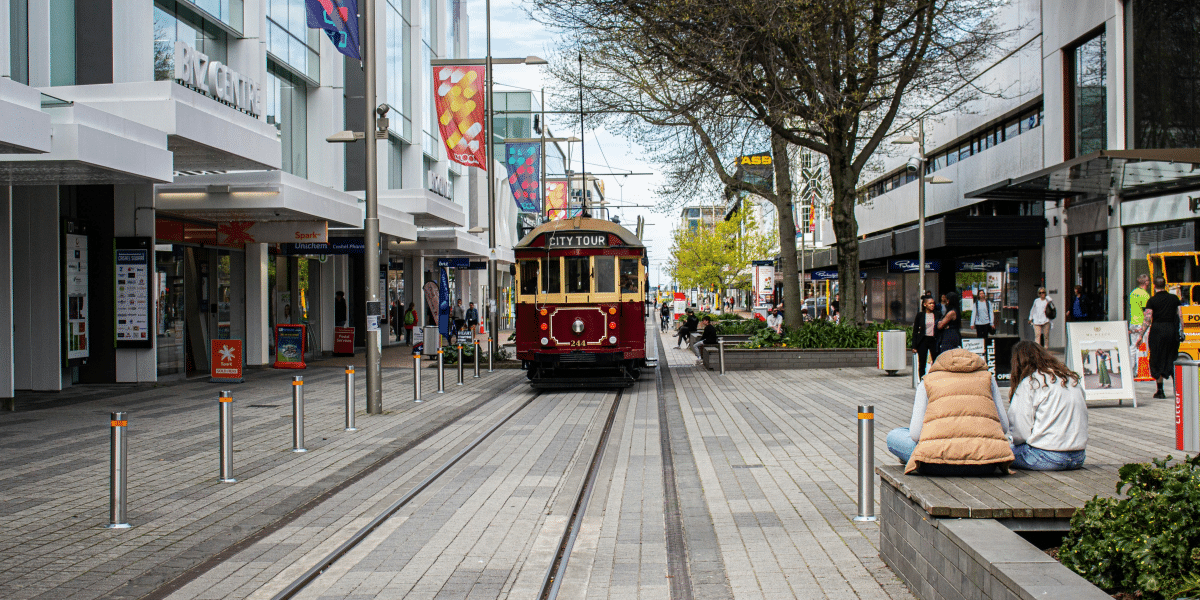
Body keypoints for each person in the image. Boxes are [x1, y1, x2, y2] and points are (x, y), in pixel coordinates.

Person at [886, 349, 1013, 475]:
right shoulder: (988, 379)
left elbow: (915, 434)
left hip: (934, 464)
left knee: (895, 435)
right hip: (985, 464)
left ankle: (908, 459)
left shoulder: (928, 380)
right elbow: (1004, 427)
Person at [1007, 341, 1088, 470]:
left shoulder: (1031, 382)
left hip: (1045, 455)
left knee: (1001, 452)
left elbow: (1020, 429)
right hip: (1078, 456)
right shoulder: (1070, 379)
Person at [1136, 276, 1183, 399]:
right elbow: (1180, 316)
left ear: (1154, 286)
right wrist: (1181, 332)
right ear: (1165, 285)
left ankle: (1160, 391)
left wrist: (1140, 335)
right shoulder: (1174, 299)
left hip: (1157, 331)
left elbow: (1147, 319)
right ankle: (1177, 389)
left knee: (1157, 358)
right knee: (1172, 357)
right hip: (1171, 331)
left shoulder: (1152, 300)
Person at [911, 296, 942, 380]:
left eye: (933, 303)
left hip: (933, 340)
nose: (932, 305)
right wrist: (914, 346)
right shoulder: (920, 315)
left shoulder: (938, 314)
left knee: (936, 361)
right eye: (930, 303)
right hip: (923, 340)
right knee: (922, 363)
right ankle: (922, 380)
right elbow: (915, 331)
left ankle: (935, 378)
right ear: (925, 304)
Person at [1129, 274, 1151, 371]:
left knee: (1133, 346)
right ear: (1146, 282)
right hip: (1141, 323)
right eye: (1148, 281)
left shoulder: (1133, 293)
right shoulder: (1145, 295)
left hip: (1133, 322)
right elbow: (1146, 312)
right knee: (1141, 347)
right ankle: (1141, 370)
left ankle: (1131, 369)